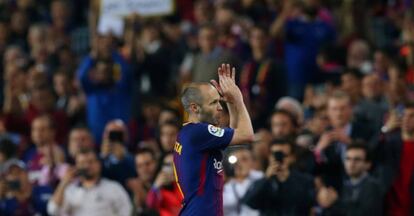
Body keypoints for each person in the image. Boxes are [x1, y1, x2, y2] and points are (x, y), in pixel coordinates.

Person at [174, 64, 254, 216]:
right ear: (195, 108)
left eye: (219, 101)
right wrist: (239, 100)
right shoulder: (199, 133)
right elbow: (247, 135)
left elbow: (236, 133)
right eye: (213, 103)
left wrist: (230, 102)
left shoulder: (194, 135)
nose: (220, 108)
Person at [47, 149, 132, 216]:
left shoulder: (113, 187)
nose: (87, 166)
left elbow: (127, 212)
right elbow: (53, 210)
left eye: (91, 162)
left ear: (99, 164)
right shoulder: (71, 191)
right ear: (77, 166)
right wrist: (64, 183)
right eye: (82, 163)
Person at [243, 139, 315, 216]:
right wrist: (266, 179)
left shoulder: (305, 180)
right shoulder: (261, 181)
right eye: (274, 154)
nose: (278, 159)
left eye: (283, 155)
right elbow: (249, 202)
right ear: (269, 157)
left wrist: (287, 179)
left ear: (292, 158)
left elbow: (307, 204)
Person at [317, 143, 383, 216]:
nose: (351, 164)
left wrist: (335, 202)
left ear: (368, 164)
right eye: (348, 159)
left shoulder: (373, 187)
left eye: (357, 160)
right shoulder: (346, 185)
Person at [223, 147, 263, 216]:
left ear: (253, 162)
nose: (239, 164)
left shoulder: (260, 178)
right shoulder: (227, 186)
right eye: (236, 161)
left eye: (244, 159)